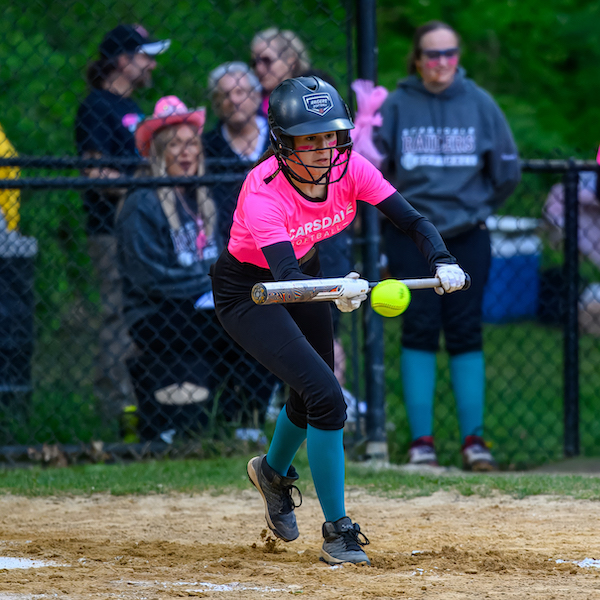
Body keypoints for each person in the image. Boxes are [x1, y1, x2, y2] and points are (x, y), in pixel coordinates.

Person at [210, 76, 467, 565]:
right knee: (327, 395)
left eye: (330, 136)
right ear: (283, 144)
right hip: (250, 290)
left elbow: (412, 220)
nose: (324, 149)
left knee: (310, 398)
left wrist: (443, 260)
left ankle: (271, 473)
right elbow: (282, 277)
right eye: (309, 139)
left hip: (304, 272)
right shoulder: (263, 190)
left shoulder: (352, 169)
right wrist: (337, 290)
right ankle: (338, 531)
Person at [374, 21, 521, 471]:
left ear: (458, 56)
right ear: (416, 60)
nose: (441, 63)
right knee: (418, 327)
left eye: (449, 53)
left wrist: (475, 208)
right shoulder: (397, 104)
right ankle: (422, 443)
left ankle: (474, 442)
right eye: (431, 54)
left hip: (466, 234)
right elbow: (372, 168)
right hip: (412, 235)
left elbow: (506, 173)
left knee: (464, 330)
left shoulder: (480, 104)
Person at [117, 96, 274, 443]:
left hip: (201, 301)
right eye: (175, 144)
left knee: (263, 319)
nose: (186, 152)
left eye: (191, 144)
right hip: (155, 311)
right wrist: (207, 281)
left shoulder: (202, 198)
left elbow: (222, 256)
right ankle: (195, 424)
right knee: (230, 324)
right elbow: (149, 276)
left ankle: (244, 422)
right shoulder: (142, 202)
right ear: (159, 152)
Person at [75, 24, 171, 427]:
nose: (151, 63)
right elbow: (96, 171)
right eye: (144, 54)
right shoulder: (97, 106)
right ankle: (118, 409)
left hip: (141, 231)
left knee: (143, 313)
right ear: (122, 59)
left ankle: (146, 405)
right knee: (116, 313)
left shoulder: (132, 109)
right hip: (109, 230)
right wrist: (144, 182)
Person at [203, 62, 269, 242]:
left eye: (240, 92)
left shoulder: (280, 138)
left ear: (256, 96)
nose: (233, 99)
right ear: (216, 103)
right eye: (225, 95)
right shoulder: (206, 147)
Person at [250, 28, 310, 117]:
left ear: (290, 61)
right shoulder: (251, 103)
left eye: (267, 60)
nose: (259, 69)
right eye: (255, 63)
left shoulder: (311, 98)